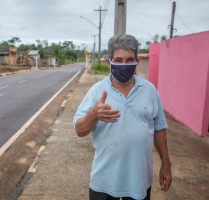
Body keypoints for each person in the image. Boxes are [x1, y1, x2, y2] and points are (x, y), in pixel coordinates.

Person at [73, 34, 172, 200]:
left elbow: (159, 129)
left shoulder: (150, 90)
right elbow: (79, 130)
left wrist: (166, 164)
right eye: (118, 60)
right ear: (109, 62)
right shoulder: (97, 91)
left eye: (129, 60)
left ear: (137, 62)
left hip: (139, 184)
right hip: (103, 185)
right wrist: (93, 115)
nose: (124, 65)